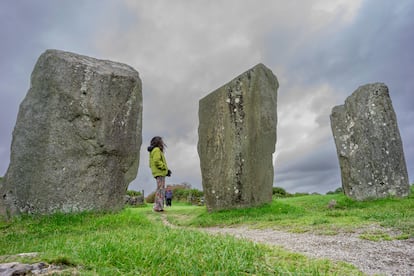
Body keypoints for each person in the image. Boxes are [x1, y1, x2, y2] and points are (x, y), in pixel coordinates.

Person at [147, 136, 171, 212]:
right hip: (160, 172)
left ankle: (158, 206)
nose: (162, 142)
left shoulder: (153, 151)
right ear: (158, 142)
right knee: (161, 190)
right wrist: (165, 168)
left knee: (160, 189)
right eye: (161, 141)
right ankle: (158, 207)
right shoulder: (157, 150)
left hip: (157, 172)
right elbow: (157, 161)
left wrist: (166, 171)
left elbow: (151, 164)